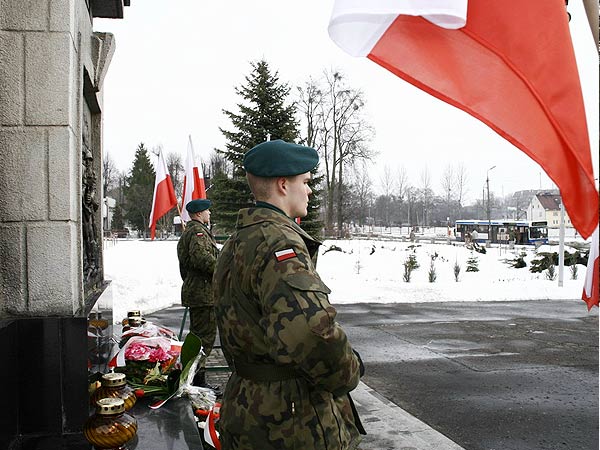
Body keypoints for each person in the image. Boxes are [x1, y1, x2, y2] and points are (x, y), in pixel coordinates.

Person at [213, 140, 365, 450]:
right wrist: (348, 370)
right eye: (305, 182)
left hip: (246, 407)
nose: (309, 190)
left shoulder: (238, 240)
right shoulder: (278, 243)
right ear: (283, 185)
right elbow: (311, 333)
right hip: (288, 419)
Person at [177, 198, 219, 387]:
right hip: (203, 294)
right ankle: (196, 383)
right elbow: (201, 258)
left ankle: (194, 379)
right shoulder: (197, 231)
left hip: (200, 291)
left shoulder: (193, 231)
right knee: (204, 340)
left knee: (200, 338)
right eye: (208, 211)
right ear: (200, 213)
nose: (210, 214)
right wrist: (223, 268)